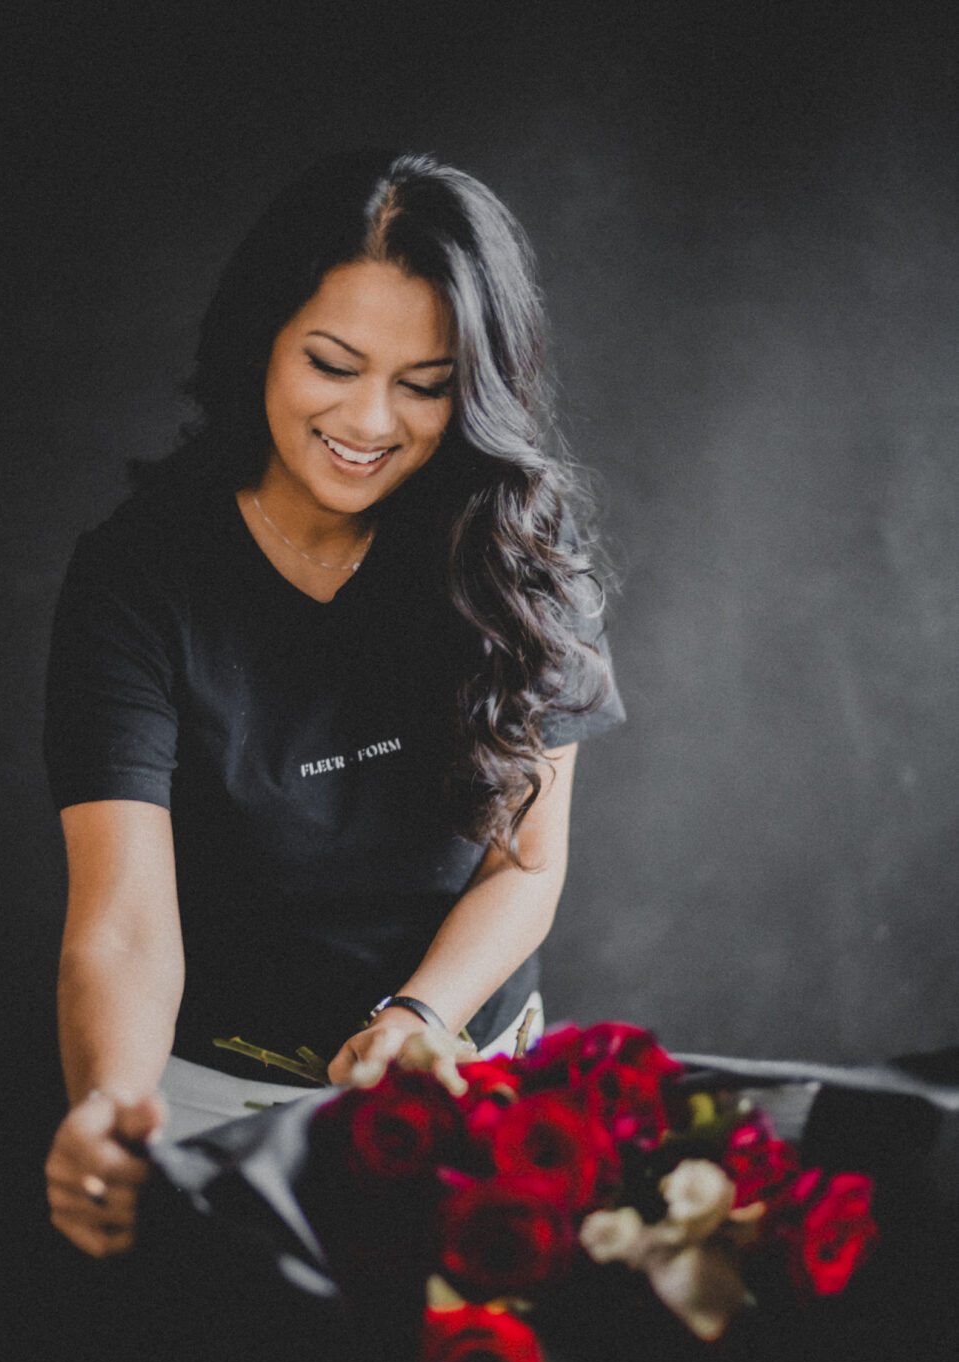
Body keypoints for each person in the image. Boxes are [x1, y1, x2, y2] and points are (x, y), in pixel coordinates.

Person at [42, 150, 623, 1270]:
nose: (370, 420)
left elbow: (525, 864)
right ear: (261, 336)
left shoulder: (520, 556)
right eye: (332, 363)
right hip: (219, 1106)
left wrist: (417, 1019)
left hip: (467, 1073)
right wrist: (112, 1108)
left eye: (425, 382)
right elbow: (121, 920)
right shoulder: (138, 576)